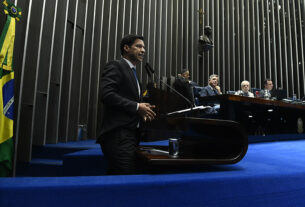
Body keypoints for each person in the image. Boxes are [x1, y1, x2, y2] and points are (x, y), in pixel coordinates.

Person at [97, 34, 156, 175]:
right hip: (118, 134)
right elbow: (107, 95)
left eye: (144, 47)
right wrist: (137, 107)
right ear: (126, 48)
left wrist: (144, 110)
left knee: (117, 176)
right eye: (139, 46)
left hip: (131, 134)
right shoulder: (116, 66)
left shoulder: (134, 73)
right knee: (125, 175)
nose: (143, 50)